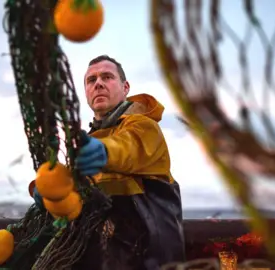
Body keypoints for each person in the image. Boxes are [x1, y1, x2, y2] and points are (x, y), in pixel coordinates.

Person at [33, 55, 185, 269]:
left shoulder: (144, 126)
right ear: (86, 92)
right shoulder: (89, 142)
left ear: (125, 87)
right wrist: (48, 193)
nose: (98, 84)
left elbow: (126, 147)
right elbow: (70, 195)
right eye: (91, 80)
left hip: (146, 260)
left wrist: (104, 152)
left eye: (107, 77)